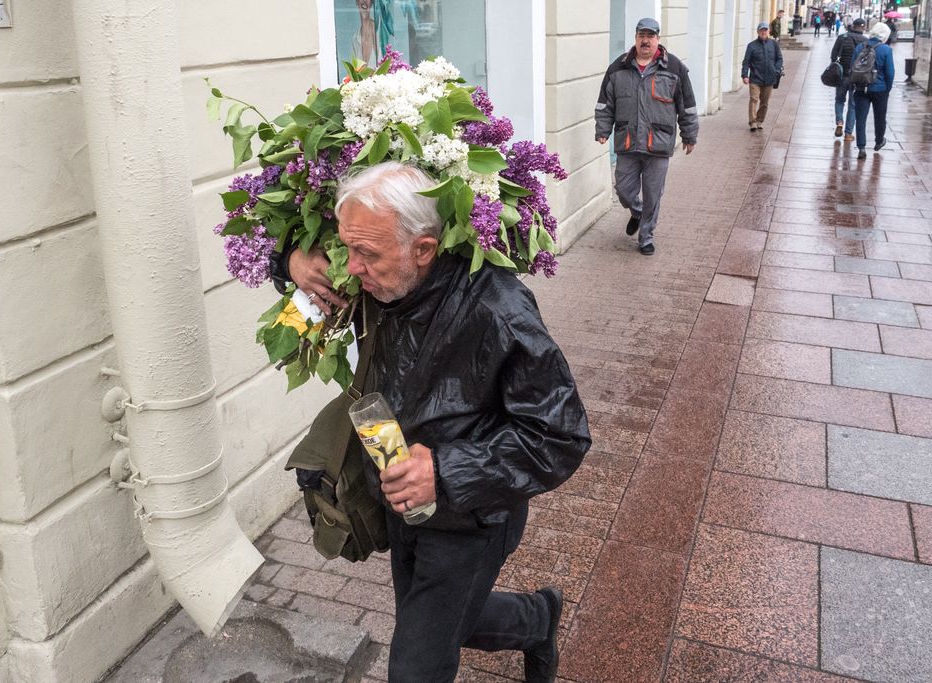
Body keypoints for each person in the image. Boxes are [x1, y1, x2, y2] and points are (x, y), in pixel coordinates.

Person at [275, 162, 592, 683]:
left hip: (472, 516)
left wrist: (444, 470)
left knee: (416, 664)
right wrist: (290, 262)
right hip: (402, 504)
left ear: (422, 249)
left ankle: (534, 618)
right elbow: (299, 277)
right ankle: (538, 618)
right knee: (443, 622)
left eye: (366, 254)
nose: (350, 268)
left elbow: (560, 434)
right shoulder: (377, 280)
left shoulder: (498, 308)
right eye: (347, 249)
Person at [594, 17, 698, 256]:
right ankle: (636, 211)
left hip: (658, 144)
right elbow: (604, 104)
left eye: (650, 36)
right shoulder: (618, 67)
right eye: (642, 35)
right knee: (622, 189)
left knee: (653, 195)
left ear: (658, 40)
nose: (645, 40)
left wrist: (689, 135)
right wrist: (602, 129)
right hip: (628, 142)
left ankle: (646, 237)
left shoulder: (674, 68)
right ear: (636, 38)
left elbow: (687, 105)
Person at [852, 22, 894, 160]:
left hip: (861, 88)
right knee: (880, 117)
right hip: (879, 89)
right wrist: (887, 88)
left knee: (861, 119)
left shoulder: (860, 47)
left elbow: (853, 67)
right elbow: (890, 73)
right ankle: (878, 141)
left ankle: (861, 147)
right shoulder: (886, 49)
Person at [741, 22, 784, 132]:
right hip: (755, 78)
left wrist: (777, 70)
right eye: (761, 30)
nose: (763, 32)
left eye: (765, 30)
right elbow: (746, 62)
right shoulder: (751, 46)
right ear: (758, 32)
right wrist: (745, 75)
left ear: (768, 31)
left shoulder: (774, 44)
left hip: (770, 78)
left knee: (764, 102)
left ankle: (760, 120)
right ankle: (752, 122)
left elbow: (779, 59)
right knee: (754, 99)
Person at [832, 18, 868, 141]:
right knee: (853, 105)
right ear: (863, 27)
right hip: (856, 77)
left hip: (842, 75)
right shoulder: (865, 41)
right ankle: (848, 134)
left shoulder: (842, 37)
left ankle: (839, 122)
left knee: (839, 100)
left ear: (853, 26)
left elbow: (833, 56)